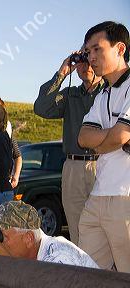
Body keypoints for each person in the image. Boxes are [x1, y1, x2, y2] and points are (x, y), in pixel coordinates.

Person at [34, 44, 104, 245]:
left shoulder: (108, 91)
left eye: (90, 57)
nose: (86, 65)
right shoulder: (70, 95)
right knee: (76, 227)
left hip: (102, 164)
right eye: (81, 59)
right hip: (73, 167)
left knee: (107, 228)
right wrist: (63, 72)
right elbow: (41, 107)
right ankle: (84, 273)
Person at [77, 21, 130, 273]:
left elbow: (121, 135)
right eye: (88, 52)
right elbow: (83, 138)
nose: (91, 57)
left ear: (120, 48)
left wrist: (107, 139)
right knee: (87, 273)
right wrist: (112, 139)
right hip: (97, 197)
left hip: (125, 197)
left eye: (97, 49)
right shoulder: (102, 95)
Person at [0, 201, 99, 269]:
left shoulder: (59, 257)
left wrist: (8, 260)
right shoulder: (37, 256)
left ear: (29, 238)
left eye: (3, 237)